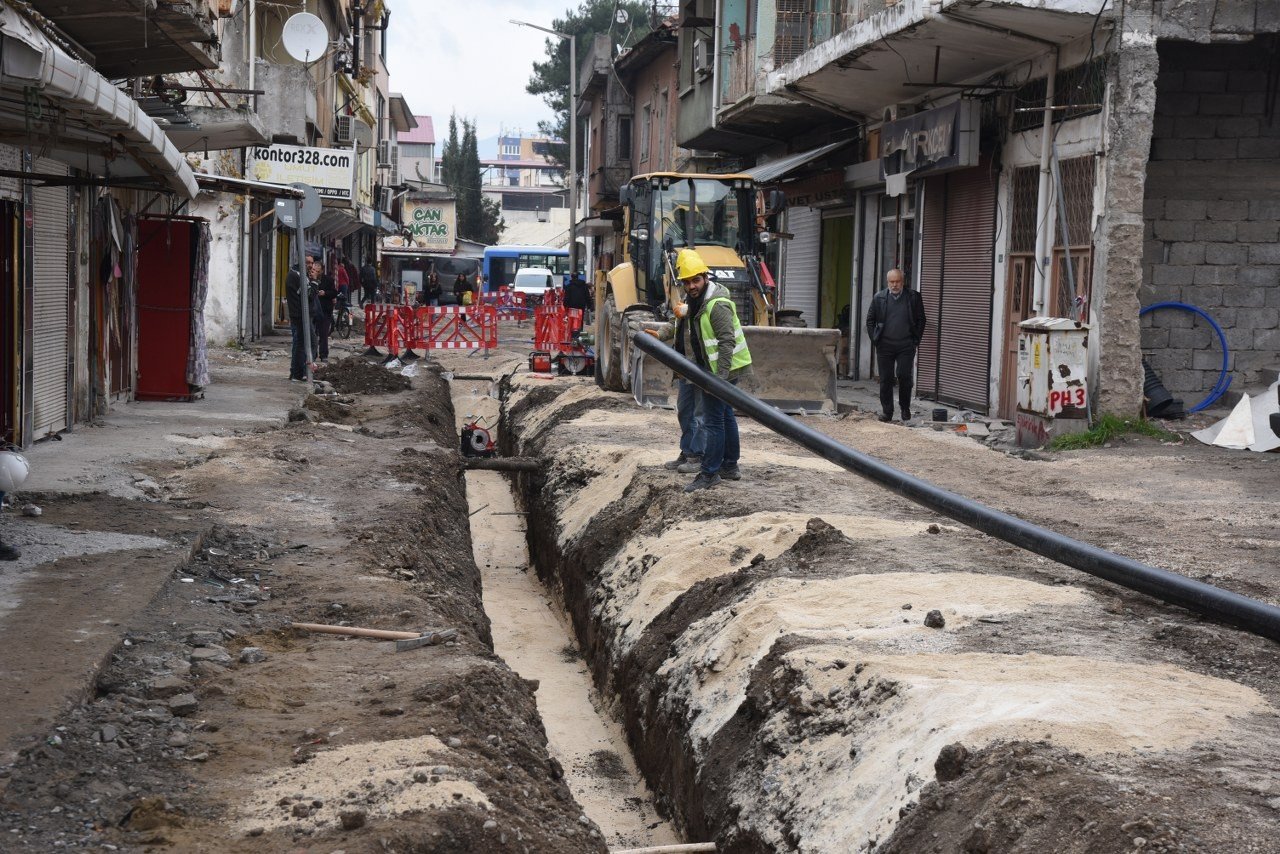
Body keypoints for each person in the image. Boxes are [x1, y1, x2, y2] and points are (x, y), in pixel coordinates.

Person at [652, 248, 752, 492]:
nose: (691, 286)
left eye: (695, 280)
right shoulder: (693, 301)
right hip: (706, 369)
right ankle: (729, 466)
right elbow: (678, 323)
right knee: (725, 416)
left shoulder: (717, 305)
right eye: (687, 282)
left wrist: (720, 380)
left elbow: (727, 342)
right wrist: (661, 334)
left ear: (705, 277)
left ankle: (709, 473)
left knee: (713, 421)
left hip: (722, 371)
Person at [865, 267, 926, 422]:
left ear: (903, 282)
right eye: (891, 282)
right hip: (885, 345)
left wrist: (916, 340)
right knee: (886, 379)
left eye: (897, 281)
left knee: (904, 376)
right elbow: (870, 320)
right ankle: (887, 412)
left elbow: (921, 320)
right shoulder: (879, 298)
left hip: (906, 345)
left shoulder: (913, 297)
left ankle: (905, 409)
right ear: (887, 282)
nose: (894, 285)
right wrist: (875, 340)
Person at [286, 254, 318, 382]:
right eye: (307, 262)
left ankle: (297, 373)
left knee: (300, 343)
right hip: (301, 315)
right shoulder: (298, 276)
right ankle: (303, 372)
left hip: (300, 314)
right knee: (311, 342)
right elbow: (309, 295)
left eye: (311, 263)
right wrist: (315, 281)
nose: (310, 265)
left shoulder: (299, 275)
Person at [314, 259, 337, 362]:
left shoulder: (328, 280)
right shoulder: (309, 279)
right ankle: (313, 354)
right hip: (313, 311)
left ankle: (323, 355)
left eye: (318, 271)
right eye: (314, 270)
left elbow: (334, 293)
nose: (315, 273)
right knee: (313, 334)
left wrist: (325, 293)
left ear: (322, 271)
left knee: (323, 334)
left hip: (324, 311)